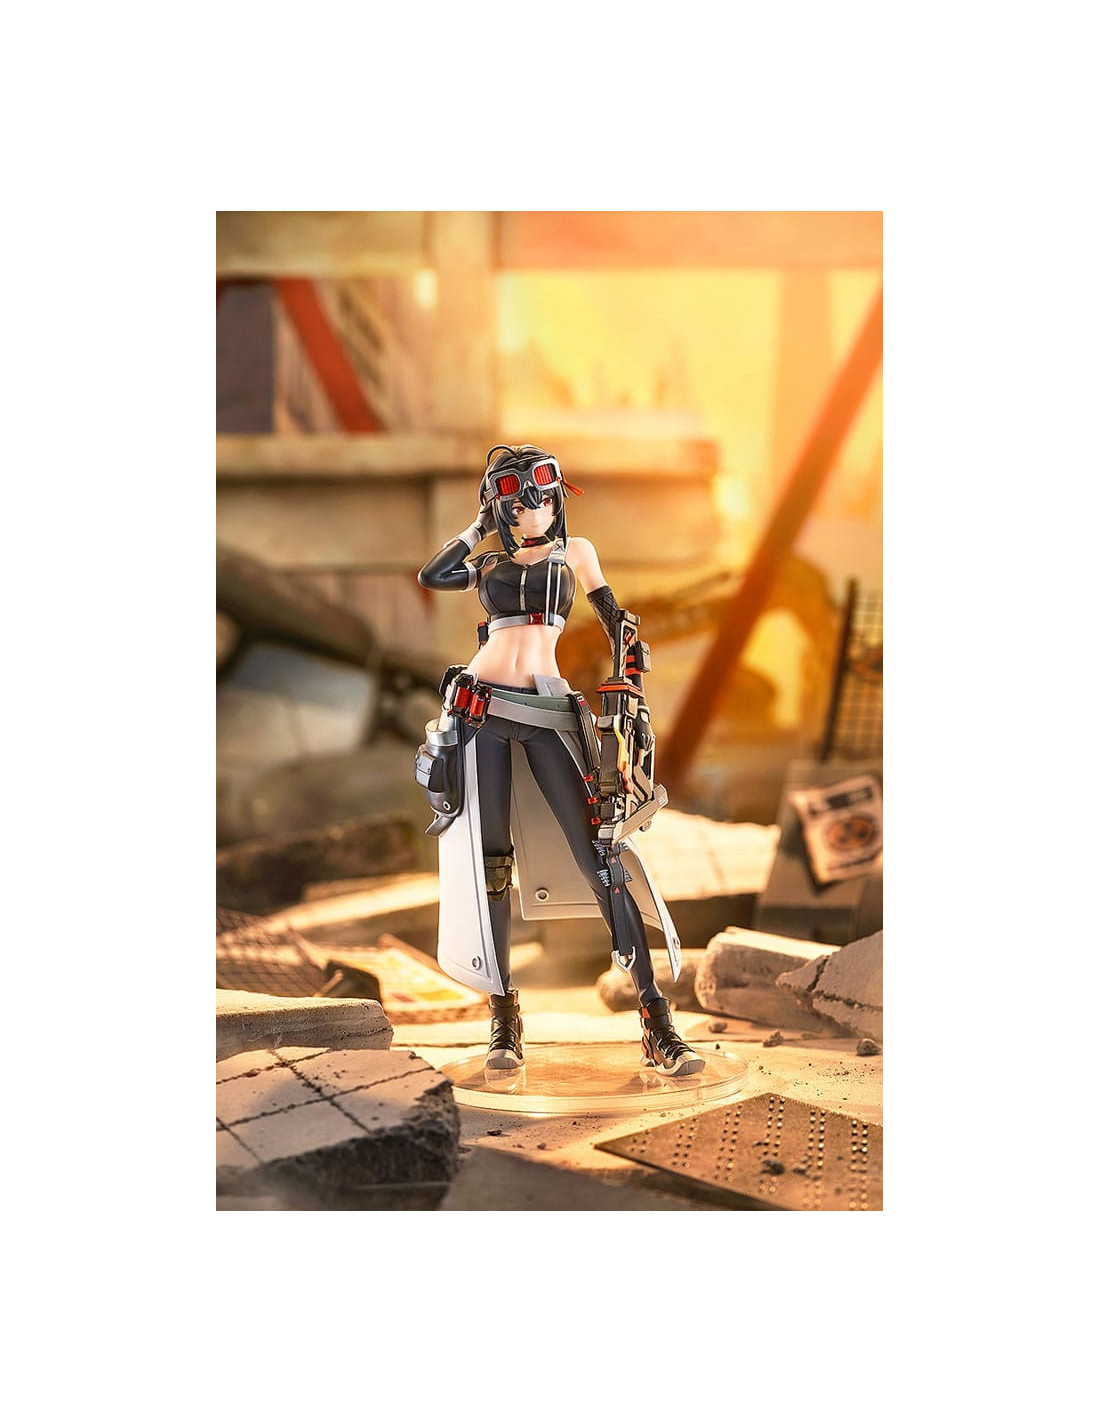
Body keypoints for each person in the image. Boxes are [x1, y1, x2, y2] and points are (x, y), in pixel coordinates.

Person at [416, 444, 702, 1078]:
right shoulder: (488, 562)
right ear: (500, 509)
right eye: (514, 505)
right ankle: (504, 1017)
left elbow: (618, 623)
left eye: (539, 499)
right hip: (481, 710)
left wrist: (630, 685)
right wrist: (478, 528)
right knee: (492, 867)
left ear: (556, 499)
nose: (529, 513)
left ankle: (656, 1019)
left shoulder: (577, 553)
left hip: (549, 709)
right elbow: (433, 575)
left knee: (603, 858)